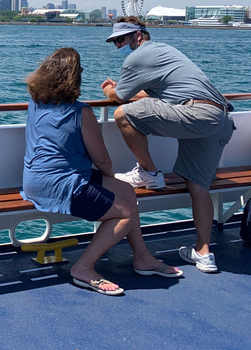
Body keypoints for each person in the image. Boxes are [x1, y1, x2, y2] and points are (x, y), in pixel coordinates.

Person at [22, 48, 181, 296]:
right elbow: (102, 159)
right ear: (73, 78)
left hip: (36, 179)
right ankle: (83, 267)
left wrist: (110, 180)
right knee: (125, 213)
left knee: (127, 191)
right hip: (60, 184)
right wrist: (109, 173)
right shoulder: (80, 112)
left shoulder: (36, 102)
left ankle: (142, 258)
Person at [101, 16, 234, 273]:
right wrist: (124, 91)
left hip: (194, 114)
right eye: (115, 41)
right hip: (219, 118)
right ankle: (204, 253)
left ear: (138, 36)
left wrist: (109, 89)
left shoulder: (137, 58)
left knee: (123, 114)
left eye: (121, 39)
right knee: (198, 186)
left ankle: (149, 173)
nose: (119, 45)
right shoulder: (166, 51)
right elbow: (154, 94)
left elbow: (120, 98)